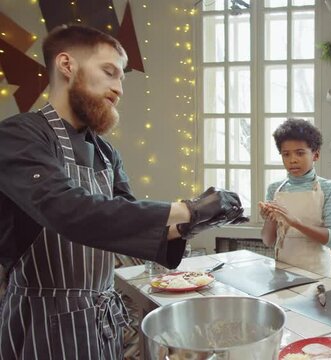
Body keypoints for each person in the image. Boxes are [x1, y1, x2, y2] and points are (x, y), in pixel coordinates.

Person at [0, 24, 246, 359]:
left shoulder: (104, 152)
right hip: (42, 322)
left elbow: (128, 227)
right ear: (67, 65)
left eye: (122, 79)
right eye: (109, 72)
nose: (118, 88)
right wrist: (187, 207)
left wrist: (198, 220)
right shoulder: (20, 135)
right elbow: (67, 209)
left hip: (99, 318)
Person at [260, 119, 331, 278]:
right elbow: (268, 241)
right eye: (286, 154)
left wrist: (295, 223)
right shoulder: (274, 189)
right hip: (282, 274)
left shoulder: (329, 188)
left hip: (317, 275)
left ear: (316, 154)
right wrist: (269, 219)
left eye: (300, 153)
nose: (293, 160)